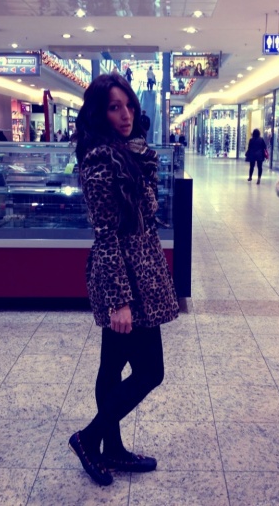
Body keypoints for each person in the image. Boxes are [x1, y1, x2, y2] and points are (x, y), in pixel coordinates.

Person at [68, 73, 179, 487]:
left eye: (128, 105)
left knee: (112, 366)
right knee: (151, 371)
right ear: (100, 114)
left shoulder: (132, 155)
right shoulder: (101, 163)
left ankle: (111, 448)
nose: (126, 114)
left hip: (140, 275)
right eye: (115, 107)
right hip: (126, 281)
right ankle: (89, 438)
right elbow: (106, 235)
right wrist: (119, 301)